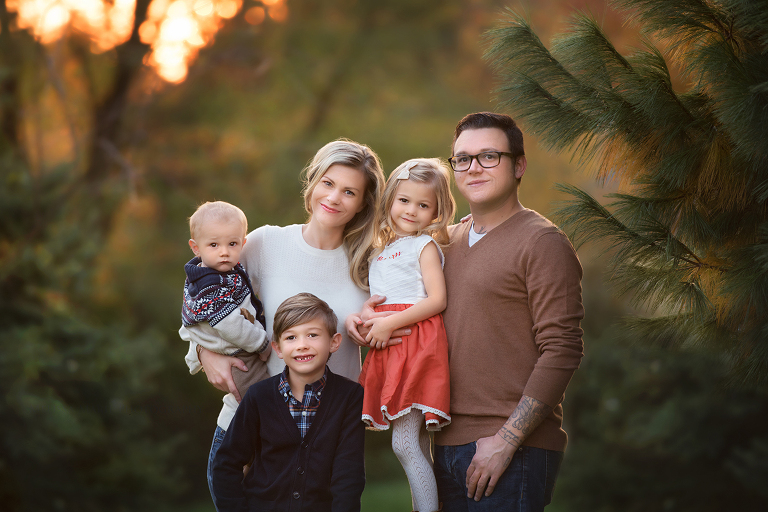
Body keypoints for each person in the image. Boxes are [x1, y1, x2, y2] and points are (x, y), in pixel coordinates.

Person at [349, 112, 584, 511]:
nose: (474, 166)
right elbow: (409, 300)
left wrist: (507, 440)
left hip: (511, 450)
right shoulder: (443, 242)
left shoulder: (542, 242)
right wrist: (366, 319)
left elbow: (562, 350)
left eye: (489, 156)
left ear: (519, 165)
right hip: (445, 441)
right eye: (463, 158)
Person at [180, 139, 403, 511]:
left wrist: (370, 329)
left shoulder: (371, 262)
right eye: (328, 183)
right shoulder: (266, 243)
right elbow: (200, 300)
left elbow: (398, 324)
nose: (334, 197)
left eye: (350, 191)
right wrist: (203, 354)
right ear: (313, 182)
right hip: (248, 430)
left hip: (326, 438)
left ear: (364, 202)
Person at [358, 158, 455, 512]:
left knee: (404, 442)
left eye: (423, 204)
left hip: (415, 342)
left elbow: (437, 299)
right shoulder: (378, 250)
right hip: (390, 345)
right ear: (389, 200)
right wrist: (373, 321)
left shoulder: (423, 246)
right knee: (410, 440)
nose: (412, 210)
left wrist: (389, 325)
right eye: (404, 200)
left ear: (436, 212)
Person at [212, 293, 366, 512]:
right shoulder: (259, 396)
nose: (302, 345)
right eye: (291, 337)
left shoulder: (350, 396)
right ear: (278, 349)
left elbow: (349, 473)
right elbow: (226, 463)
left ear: (334, 342)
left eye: (312, 335)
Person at [180, 201, 270, 400]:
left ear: (243, 244)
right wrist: (263, 344)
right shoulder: (208, 284)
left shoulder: (226, 270)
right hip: (235, 354)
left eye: (232, 244)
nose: (224, 252)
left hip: (240, 346)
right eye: (214, 245)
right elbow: (230, 325)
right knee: (263, 399)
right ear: (196, 248)